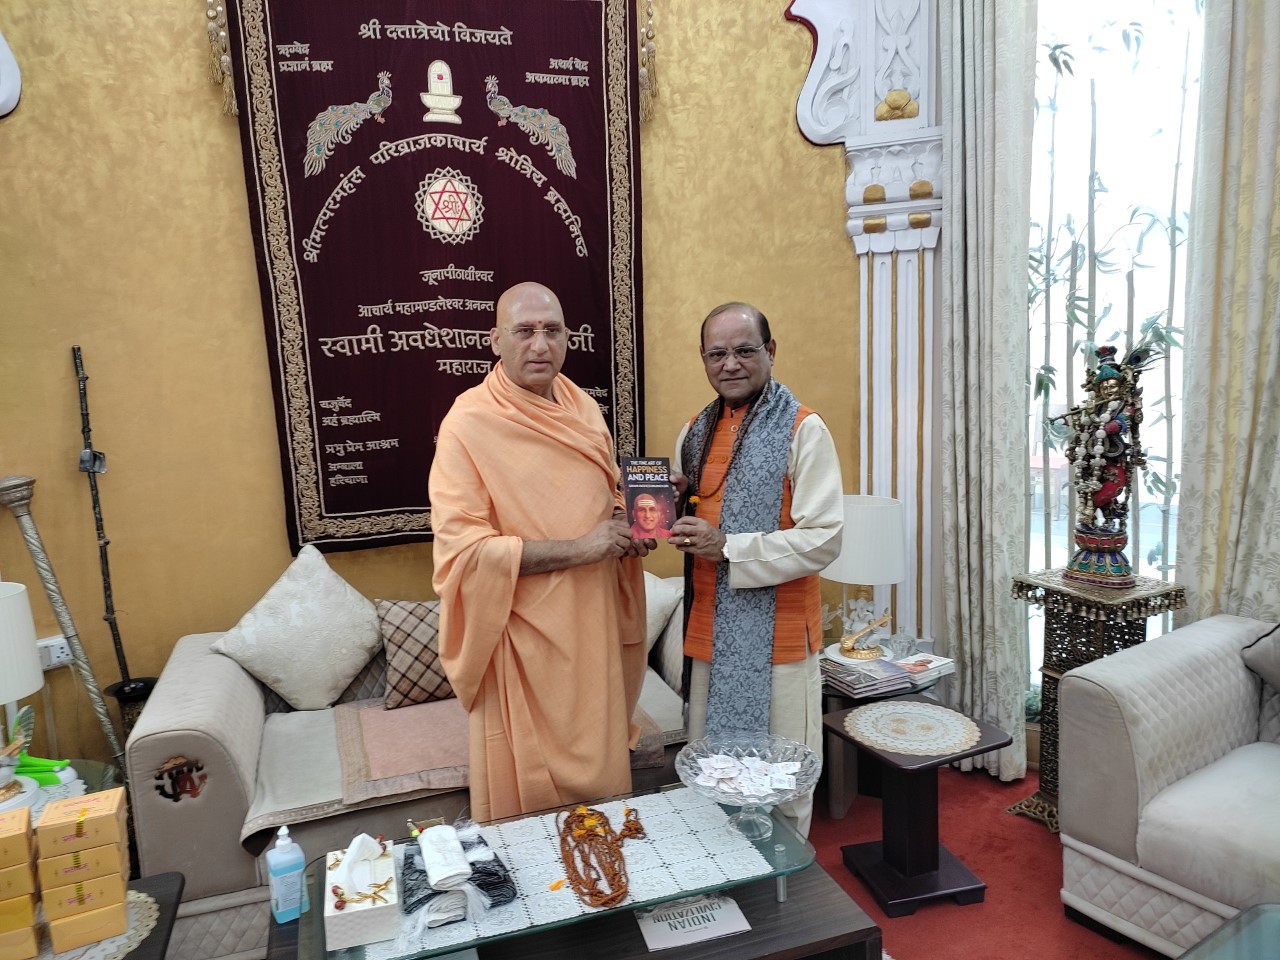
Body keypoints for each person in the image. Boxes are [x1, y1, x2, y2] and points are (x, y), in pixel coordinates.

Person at [429, 281, 651, 821]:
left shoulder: (581, 406)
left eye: (552, 331)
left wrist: (635, 519)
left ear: (568, 338)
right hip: (522, 639)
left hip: (591, 629)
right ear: (495, 340)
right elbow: (463, 552)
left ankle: (608, 890)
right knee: (532, 816)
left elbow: (605, 493)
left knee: (603, 786)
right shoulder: (467, 424)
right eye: (524, 332)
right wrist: (582, 548)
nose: (539, 345)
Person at [671, 301, 843, 836]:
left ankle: (787, 895)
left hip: (782, 639)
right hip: (711, 635)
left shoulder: (803, 428)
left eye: (745, 351)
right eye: (717, 353)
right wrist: (663, 507)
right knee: (710, 771)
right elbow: (689, 514)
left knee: (782, 776)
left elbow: (824, 538)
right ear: (703, 359)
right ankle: (725, 879)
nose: (730, 364)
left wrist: (728, 547)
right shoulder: (694, 431)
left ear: (770, 351)